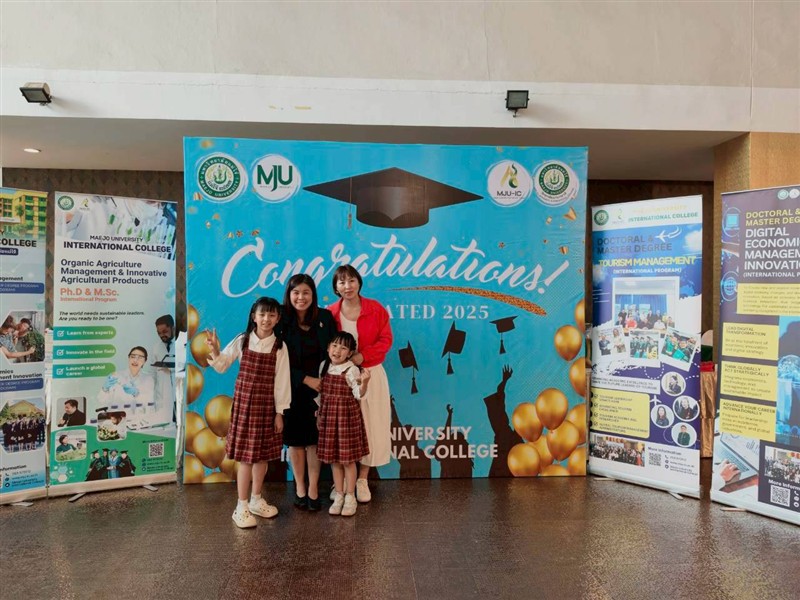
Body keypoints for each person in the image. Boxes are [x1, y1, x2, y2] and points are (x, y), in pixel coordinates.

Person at [206, 296, 291, 529]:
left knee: (262, 457)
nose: (266, 319)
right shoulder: (242, 340)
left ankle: (256, 499)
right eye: (262, 314)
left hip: (267, 408)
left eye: (271, 315)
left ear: (278, 318)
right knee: (246, 458)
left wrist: (280, 413)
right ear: (254, 316)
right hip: (245, 407)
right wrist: (215, 350)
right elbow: (222, 365)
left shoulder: (280, 347)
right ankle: (241, 506)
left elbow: (282, 383)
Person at [327, 265, 393, 503]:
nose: (347, 286)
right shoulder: (330, 313)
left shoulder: (375, 309)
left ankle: (362, 479)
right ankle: (342, 483)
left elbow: (386, 340)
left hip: (370, 372)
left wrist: (363, 356)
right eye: (342, 282)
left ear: (359, 282)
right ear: (336, 287)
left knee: (370, 425)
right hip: (339, 377)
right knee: (342, 428)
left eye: (351, 280)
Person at [278, 274, 337, 511]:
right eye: (296, 293)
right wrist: (304, 379)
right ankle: (300, 488)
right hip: (291, 388)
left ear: (313, 295)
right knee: (295, 442)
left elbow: (333, 352)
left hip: (319, 391)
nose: (301, 298)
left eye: (306, 293)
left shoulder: (324, 317)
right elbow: (276, 360)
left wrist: (323, 382)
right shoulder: (281, 319)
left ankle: (313, 488)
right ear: (289, 295)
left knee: (314, 442)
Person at [316, 332, 370, 517]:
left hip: (347, 420)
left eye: (343, 348)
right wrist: (319, 414)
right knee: (334, 461)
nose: (337, 351)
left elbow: (358, 394)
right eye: (334, 345)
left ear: (350, 353)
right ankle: (339, 495)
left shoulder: (351, 370)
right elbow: (321, 395)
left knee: (348, 460)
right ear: (328, 347)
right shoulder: (324, 366)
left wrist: (365, 383)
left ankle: (350, 496)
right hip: (329, 419)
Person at [97, 347, 156, 426]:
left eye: (140, 358)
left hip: (139, 423)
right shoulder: (116, 376)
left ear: (145, 361)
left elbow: (149, 405)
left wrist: (136, 394)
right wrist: (105, 389)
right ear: (129, 358)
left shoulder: (148, 379)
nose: (135, 360)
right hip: (117, 422)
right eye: (133, 356)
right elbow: (102, 401)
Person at [151, 314, 177, 424]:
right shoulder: (156, 348)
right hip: (162, 398)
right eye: (159, 333)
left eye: (165, 331)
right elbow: (153, 374)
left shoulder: (182, 345)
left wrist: (171, 369)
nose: (162, 335)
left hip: (178, 396)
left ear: (173, 328)